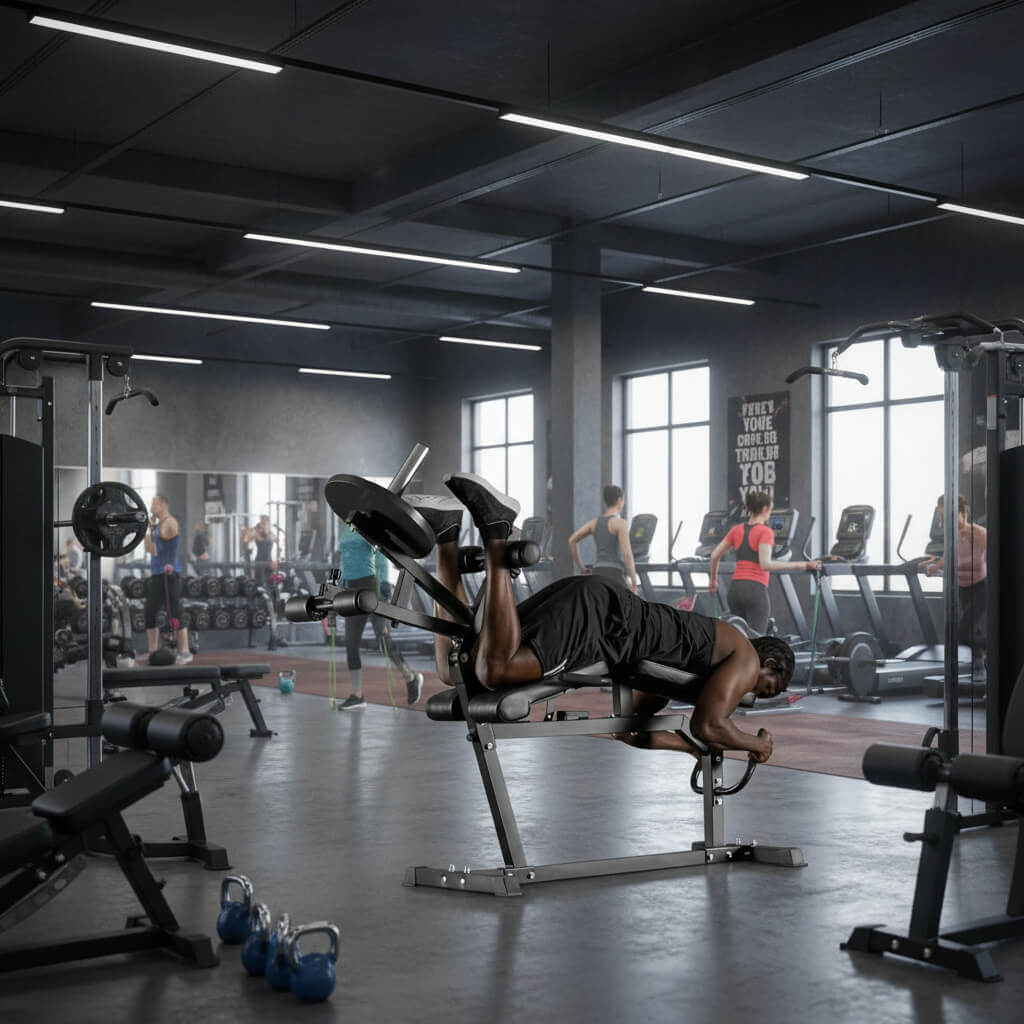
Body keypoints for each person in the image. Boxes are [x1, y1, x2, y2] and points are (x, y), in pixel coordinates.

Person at [409, 474, 796, 763]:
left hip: (597, 604)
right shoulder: (744, 654)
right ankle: (495, 526)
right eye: (768, 688)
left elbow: (631, 730)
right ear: (770, 663)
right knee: (496, 671)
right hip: (603, 620)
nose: (756, 694)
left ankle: (446, 533)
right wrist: (755, 743)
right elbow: (710, 724)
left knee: (458, 668)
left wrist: (694, 749)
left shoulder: (679, 666)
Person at [335, 522, 424, 711]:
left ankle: (411, 678)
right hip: (351, 589)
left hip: (372, 586)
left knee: (382, 639)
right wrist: (337, 582)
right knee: (351, 644)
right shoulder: (344, 530)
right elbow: (343, 559)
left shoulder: (368, 527)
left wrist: (384, 584)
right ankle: (358, 695)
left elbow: (381, 556)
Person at [708, 490, 819, 634]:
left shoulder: (736, 530)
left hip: (735, 590)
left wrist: (714, 580)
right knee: (758, 642)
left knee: (739, 639)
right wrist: (802, 565)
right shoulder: (765, 532)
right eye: (770, 510)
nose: (770, 514)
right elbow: (765, 564)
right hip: (754, 590)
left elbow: (714, 555)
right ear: (765, 509)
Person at [922, 495, 987, 674]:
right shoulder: (953, 535)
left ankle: (994, 647)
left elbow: (994, 552)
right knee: (972, 630)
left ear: (962, 512)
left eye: (950, 515)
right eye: (944, 517)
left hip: (981, 587)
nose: (947, 521)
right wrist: (934, 567)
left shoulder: (978, 533)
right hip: (963, 587)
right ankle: (979, 666)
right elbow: (949, 555)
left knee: (963, 634)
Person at [140, 494, 192, 665]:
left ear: (162, 504)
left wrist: (153, 526)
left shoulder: (169, 522)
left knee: (175, 613)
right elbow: (151, 550)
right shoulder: (156, 525)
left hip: (170, 575)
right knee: (149, 613)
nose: (151, 507)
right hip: (156, 574)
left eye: (154, 504)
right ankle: (152, 651)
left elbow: (164, 537)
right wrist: (148, 529)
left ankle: (185, 652)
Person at [568, 484, 638, 592]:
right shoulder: (620, 523)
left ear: (605, 503)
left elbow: (572, 540)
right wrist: (634, 582)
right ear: (620, 500)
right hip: (614, 572)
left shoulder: (594, 523)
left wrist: (581, 568)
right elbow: (627, 554)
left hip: (598, 572)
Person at [244, 515, 279, 587]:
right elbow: (245, 539)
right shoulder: (256, 532)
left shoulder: (270, 533)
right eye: (262, 522)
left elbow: (278, 541)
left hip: (269, 562)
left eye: (265, 522)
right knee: (260, 584)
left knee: (271, 584)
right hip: (259, 562)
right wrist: (247, 550)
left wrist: (278, 556)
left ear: (268, 523)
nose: (263, 524)